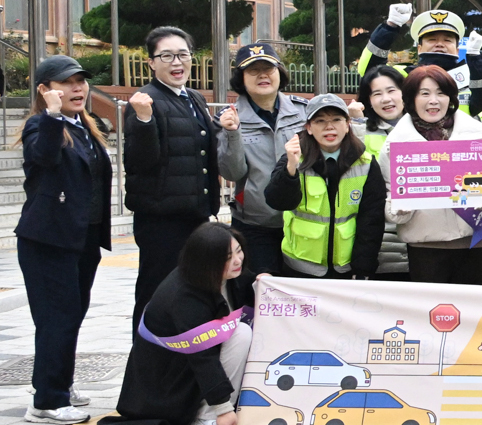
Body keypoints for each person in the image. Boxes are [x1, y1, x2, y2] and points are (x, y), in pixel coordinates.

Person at [17, 55, 113, 423]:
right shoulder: (40, 125)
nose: (77, 88)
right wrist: (53, 115)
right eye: (66, 82)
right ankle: (46, 401)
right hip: (48, 240)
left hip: (81, 238)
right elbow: (43, 158)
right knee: (56, 317)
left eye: (81, 81)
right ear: (44, 90)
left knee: (71, 315)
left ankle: (59, 382)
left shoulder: (84, 125)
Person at [124, 26, 236, 322]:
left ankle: (183, 360)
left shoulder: (194, 98)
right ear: (151, 62)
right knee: (156, 293)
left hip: (195, 215)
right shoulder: (144, 101)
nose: (177, 63)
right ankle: (147, 361)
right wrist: (144, 121)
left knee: (192, 292)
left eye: (183, 55)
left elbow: (189, 143)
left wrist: (218, 126)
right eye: (167, 56)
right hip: (161, 220)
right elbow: (140, 161)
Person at [111, 222, 252, 425]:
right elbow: (201, 355)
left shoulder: (215, 274)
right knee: (240, 334)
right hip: (166, 385)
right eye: (227, 258)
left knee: (241, 331)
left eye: (238, 251)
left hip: (187, 365)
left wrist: (264, 278)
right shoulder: (184, 296)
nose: (237, 261)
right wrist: (223, 409)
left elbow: (247, 278)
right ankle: (206, 416)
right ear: (207, 262)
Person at [385, 65, 482, 285]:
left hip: (476, 240)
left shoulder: (476, 132)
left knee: (474, 313)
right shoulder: (396, 143)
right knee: (432, 314)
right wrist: (400, 208)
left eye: (441, 93)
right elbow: (389, 200)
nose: (433, 100)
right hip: (425, 245)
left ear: (451, 97)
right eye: (424, 93)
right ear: (411, 98)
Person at [218, 41, 309, 302]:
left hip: (303, 222)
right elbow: (232, 173)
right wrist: (232, 134)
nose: (262, 76)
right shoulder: (228, 118)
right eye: (253, 71)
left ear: (280, 72)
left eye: (268, 69)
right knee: (261, 298)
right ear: (241, 78)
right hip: (256, 225)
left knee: (300, 300)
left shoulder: (303, 112)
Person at [264, 93, 387, 280]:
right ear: (309, 128)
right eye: (320, 121)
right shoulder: (295, 157)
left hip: (346, 268)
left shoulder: (365, 163)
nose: (329, 127)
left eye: (337, 120)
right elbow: (277, 201)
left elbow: (372, 220)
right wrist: (290, 168)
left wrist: (363, 267)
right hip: (300, 265)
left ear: (347, 125)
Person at [362, 6, 482, 112]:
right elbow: (370, 72)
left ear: (457, 50)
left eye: (447, 40)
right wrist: (390, 27)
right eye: (432, 39)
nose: (440, 44)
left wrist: (476, 59)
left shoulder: (472, 76)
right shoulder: (404, 74)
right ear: (419, 48)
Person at [356, 64, 413, 282]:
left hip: (423, 236)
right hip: (381, 238)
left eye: (391, 91)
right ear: (367, 100)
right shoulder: (360, 131)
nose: (386, 99)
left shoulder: (427, 129)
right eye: (377, 94)